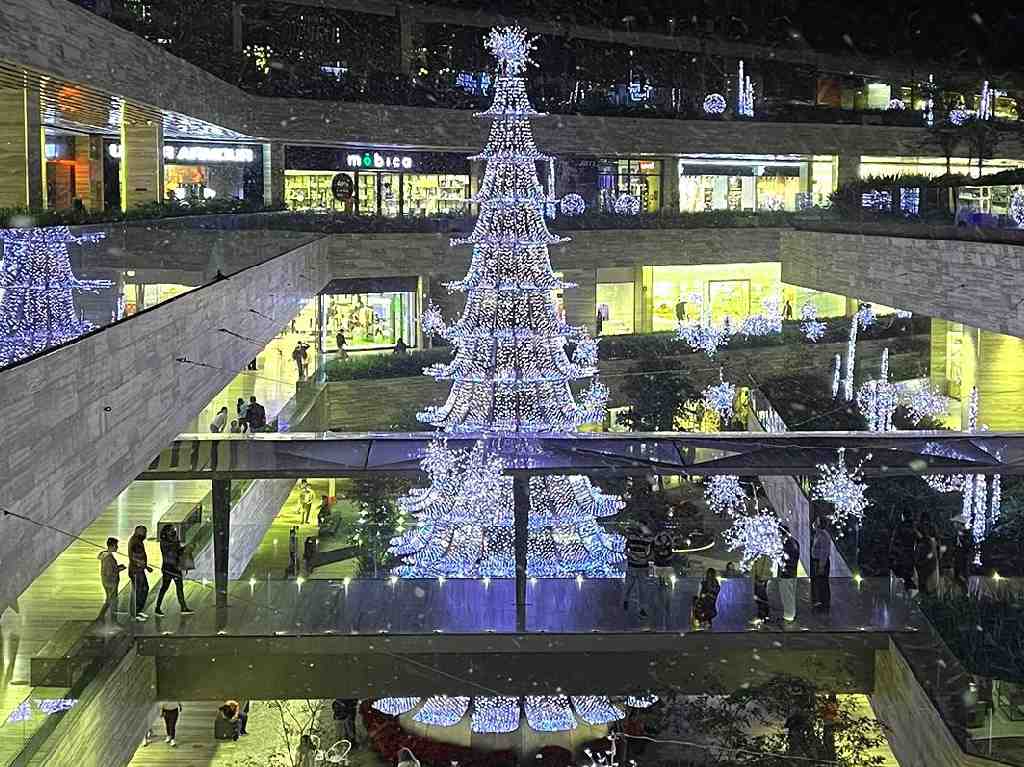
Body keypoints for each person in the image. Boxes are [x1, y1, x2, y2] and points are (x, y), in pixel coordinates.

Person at [155, 526, 193, 616]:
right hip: (168, 569)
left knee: (179, 588)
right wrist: (182, 548)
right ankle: (157, 607)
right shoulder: (165, 543)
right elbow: (173, 552)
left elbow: (178, 551)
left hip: (175, 568)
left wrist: (185, 548)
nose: (173, 533)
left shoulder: (174, 541)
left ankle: (183, 607)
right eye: (171, 531)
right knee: (165, 588)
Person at [622, 523, 652, 618]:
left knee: (642, 589)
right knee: (630, 586)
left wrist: (644, 559)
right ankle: (626, 601)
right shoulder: (633, 538)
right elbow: (626, 550)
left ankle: (641, 608)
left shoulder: (644, 539)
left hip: (641, 567)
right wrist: (633, 556)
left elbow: (649, 548)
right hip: (634, 566)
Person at [97, 537, 125, 623]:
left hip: (106, 581)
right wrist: (119, 568)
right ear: (112, 546)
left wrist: (117, 567)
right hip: (111, 582)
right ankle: (113, 620)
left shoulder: (105, 555)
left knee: (109, 600)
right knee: (113, 601)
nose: (117, 547)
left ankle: (101, 617)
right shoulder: (108, 558)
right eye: (116, 545)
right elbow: (110, 572)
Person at [128, 526, 153, 621]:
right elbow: (135, 558)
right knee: (138, 591)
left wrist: (146, 567)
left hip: (139, 570)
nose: (145, 535)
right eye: (144, 533)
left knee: (143, 589)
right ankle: (135, 613)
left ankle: (138, 610)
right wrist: (145, 566)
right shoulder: (135, 543)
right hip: (136, 571)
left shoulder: (137, 541)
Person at [890, 511, 919, 594]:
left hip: (902, 554)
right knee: (908, 575)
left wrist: (893, 555)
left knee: (902, 575)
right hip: (910, 554)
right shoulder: (914, 527)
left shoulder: (899, 527)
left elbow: (894, 541)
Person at [810, 517, 833, 610]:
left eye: (815, 522)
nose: (813, 523)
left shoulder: (823, 536)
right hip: (817, 561)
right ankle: (820, 601)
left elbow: (824, 552)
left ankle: (824, 603)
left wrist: (821, 566)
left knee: (822, 582)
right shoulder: (818, 534)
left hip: (820, 562)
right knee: (818, 582)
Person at [779, 524, 800, 622]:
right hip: (792, 572)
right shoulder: (794, 541)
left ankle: (788, 616)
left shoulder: (786, 544)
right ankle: (791, 614)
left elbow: (786, 560)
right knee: (790, 595)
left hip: (786, 573)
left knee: (787, 596)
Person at [915, 519, 940, 596]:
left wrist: (919, 563)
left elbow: (930, 557)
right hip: (926, 571)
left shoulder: (927, 542)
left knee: (927, 591)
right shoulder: (924, 542)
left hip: (928, 571)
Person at [751, 553, 773, 623]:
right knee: (759, 596)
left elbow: (766, 566)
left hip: (761, 578)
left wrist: (762, 578)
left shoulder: (765, 554)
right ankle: (763, 615)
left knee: (761, 597)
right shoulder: (758, 553)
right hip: (758, 578)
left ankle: (763, 616)